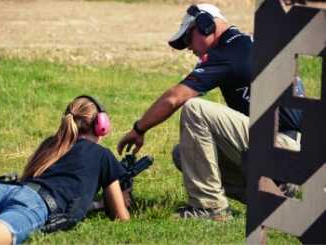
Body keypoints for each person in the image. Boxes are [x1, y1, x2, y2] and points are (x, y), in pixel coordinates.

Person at [117, 3, 303, 221]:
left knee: (194, 108)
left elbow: (174, 97)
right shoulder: (243, 45)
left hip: (284, 147)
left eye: (188, 38)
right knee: (184, 153)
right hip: (290, 151)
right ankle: (273, 198)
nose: (188, 47)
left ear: (205, 26)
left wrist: (139, 128)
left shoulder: (229, 51)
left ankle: (209, 208)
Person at [0, 95, 130, 244]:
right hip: (36, 205)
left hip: (5, 191)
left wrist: (97, 204)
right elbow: (121, 217)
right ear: (101, 126)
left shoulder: (53, 143)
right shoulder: (102, 155)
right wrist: (124, 196)